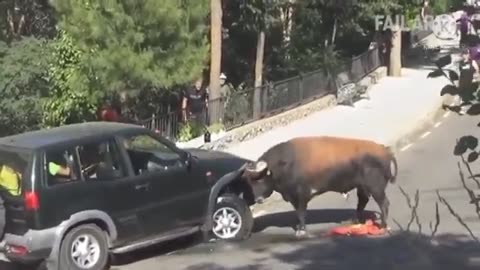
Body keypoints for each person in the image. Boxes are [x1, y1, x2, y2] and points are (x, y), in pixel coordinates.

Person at [458, 47, 480, 113]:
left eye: (467, 53)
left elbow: (477, 70)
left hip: (475, 81)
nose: (466, 55)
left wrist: (476, 77)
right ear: (462, 55)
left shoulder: (472, 62)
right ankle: (463, 108)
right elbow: (461, 74)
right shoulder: (461, 64)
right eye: (464, 54)